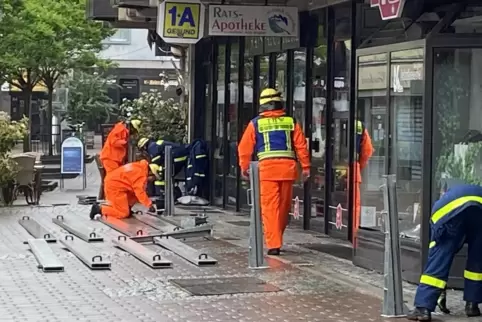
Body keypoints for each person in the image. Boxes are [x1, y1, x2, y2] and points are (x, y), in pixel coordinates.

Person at [238, 88, 310, 256]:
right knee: (284, 208)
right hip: (287, 170)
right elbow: (301, 146)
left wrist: (244, 167)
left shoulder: (255, 123)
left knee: (270, 208)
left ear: (263, 106)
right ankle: (277, 238)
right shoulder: (291, 122)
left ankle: (274, 243)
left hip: (267, 171)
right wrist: (305, 167)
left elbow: (244, 148)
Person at [408, 184, 482, 321]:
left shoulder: (439, 212)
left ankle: (422, 308)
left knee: (440, 257)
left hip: (451, 213)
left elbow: (439, 250)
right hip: (479, 210)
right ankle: (472, 305)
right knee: (477, 259)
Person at [89, 159, 158, 220]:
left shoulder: (139, 167)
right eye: (153, 178)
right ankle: (99, 209)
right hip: (114, 187)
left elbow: (136, 193)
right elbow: (140, 193)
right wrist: (149, 205)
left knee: (134, 195)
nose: (151, 181)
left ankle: (127, 207)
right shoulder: (141, 176)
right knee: (123, 213)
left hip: (116, 184)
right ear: (151, 173)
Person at [353, 120, 373, 243]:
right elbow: (367, 150)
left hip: (332, 170)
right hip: (353, 169)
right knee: (354, 206)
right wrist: (359, 166)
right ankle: (353, 235)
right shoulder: (359, 126)